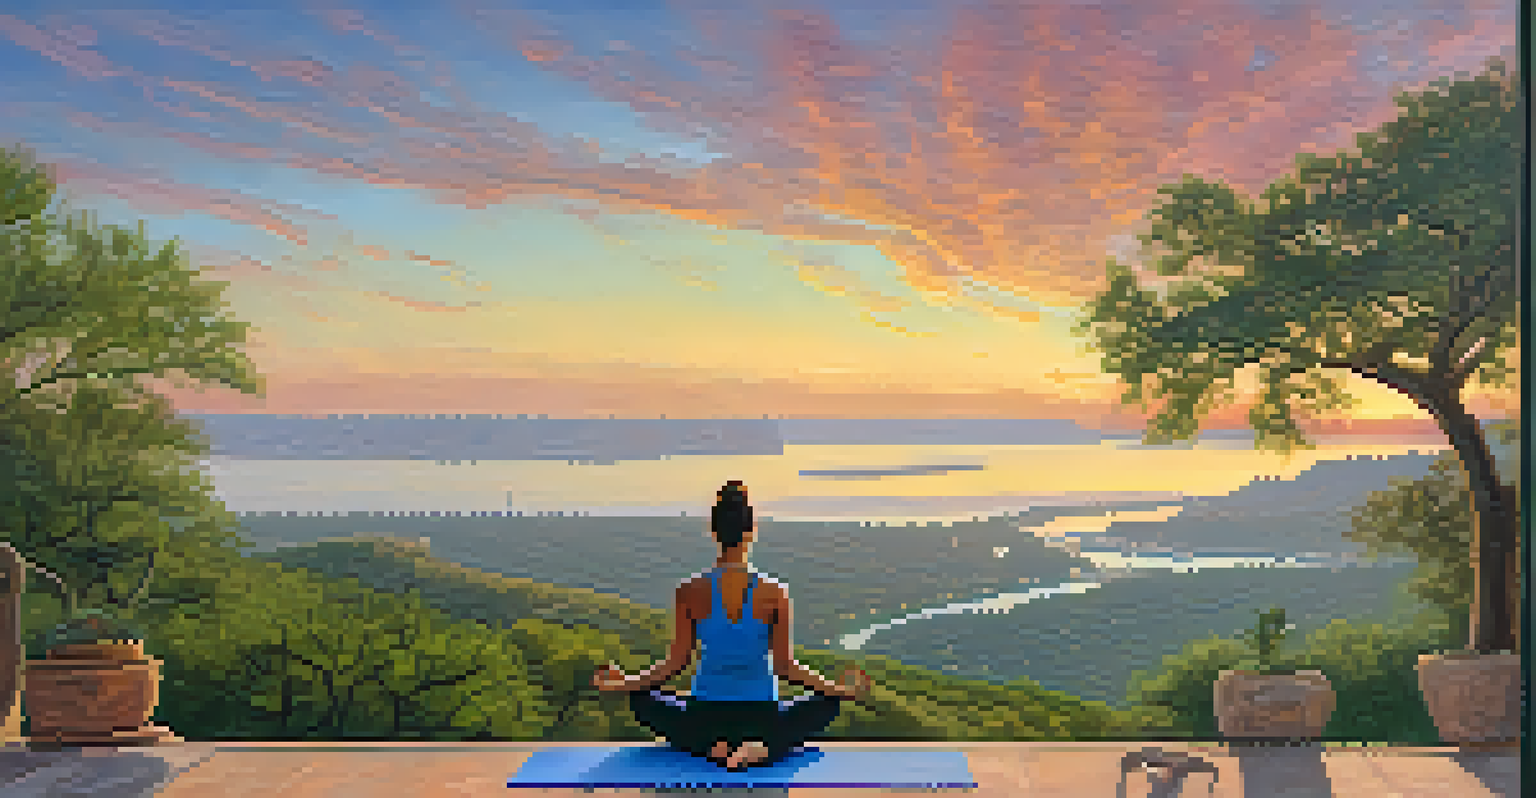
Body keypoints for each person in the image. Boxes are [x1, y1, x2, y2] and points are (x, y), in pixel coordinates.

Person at [591, 480, 873, 770]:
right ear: (751, 532)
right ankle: (762, 747)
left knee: (643, 700)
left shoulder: (689, 591)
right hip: (761, 716)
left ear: (713, 532)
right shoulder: (775, 592)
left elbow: (674, 665)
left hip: (705, 715)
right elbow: (786, 668)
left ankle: (711, 745)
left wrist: (624, 684)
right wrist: (838, 690)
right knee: (826, 704)